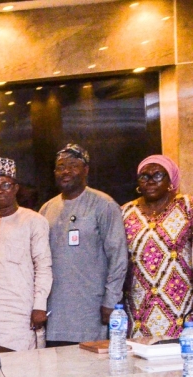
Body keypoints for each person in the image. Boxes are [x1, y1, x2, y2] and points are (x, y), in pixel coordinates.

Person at [40, 144, 128, 346]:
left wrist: (111, 301)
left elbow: (119, 257)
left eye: (73, 166)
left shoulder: (104, 205)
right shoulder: (46, 209)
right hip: (56, 314)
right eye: (60, 167)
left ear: (86, 169)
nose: (66, 172)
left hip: (92, 311)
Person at [0, 158, 53, 352]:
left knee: (25, 371)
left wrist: (39, 306)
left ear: (16, 188)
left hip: (23, 312)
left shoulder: (34, 221)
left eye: (5, 185)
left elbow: (43, 267)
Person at [123, 155, 193, 338]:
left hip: (182, 303)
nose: (150, 181)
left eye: (157, 175)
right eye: (144, 176)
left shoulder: (187, 207)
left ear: (171, 179)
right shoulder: (125, 212)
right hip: (139, 305)